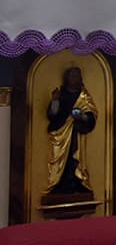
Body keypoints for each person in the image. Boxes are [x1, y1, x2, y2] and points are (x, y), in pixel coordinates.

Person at [44, 66, 97, 196]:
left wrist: (82, 116)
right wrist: (55, 101)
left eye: (77, 76)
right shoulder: (60, 94)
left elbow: (91, 115)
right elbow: (52, 115)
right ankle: (59, 185)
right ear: (66, 78)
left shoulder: (84, 96)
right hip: (61, 133)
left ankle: (77, 183)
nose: (74, 78)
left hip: (76, 134)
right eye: (72, 76)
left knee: (75, 159)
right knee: (61, 161)